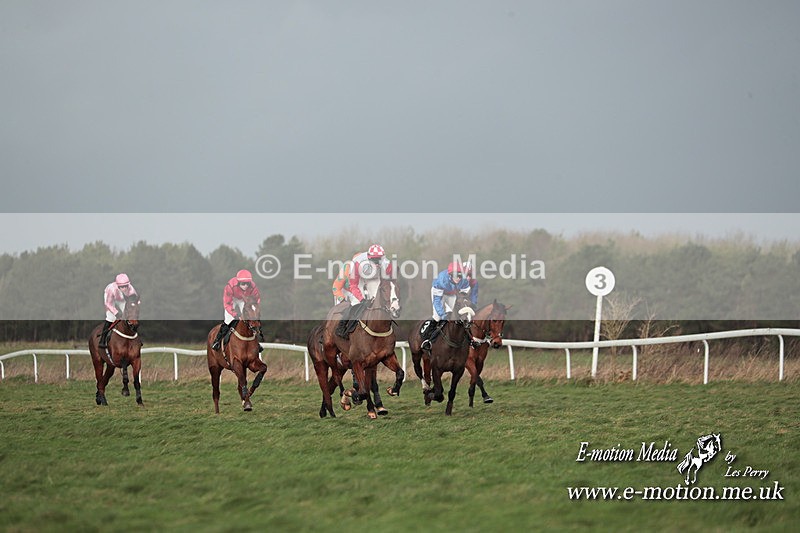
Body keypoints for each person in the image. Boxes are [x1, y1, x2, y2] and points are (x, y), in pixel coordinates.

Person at [335, 244, 393, 338]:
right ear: (369, 258)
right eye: (374, 260)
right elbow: (353, 285)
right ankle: (342, 328)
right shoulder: (357, 263)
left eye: (379, 259)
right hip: (357, 281)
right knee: (356, 303)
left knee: (376, 300)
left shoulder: (387, 264)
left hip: (372, 279)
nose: (377, 262)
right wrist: (361, 299)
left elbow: (389, 283)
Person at [419, 261, 471, 350]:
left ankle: (469, 339)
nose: (459, 278)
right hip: (439, 294)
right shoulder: (441, 280)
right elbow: (437, 301)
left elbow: (465, 295)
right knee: (438, 316)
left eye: (460, 276)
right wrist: (443, 314)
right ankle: (428, 340)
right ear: (450, 275)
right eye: (456, 276)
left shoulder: (464, 280)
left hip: (451, 294)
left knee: (456, 314)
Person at [211, 269, 263, 351]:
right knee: (228, 320)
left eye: (248, 283)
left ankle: (256, 343)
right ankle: (217, 341)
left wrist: (254, 312)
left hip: (244, 300)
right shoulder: (230, 286)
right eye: (243, 283)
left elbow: (256, 301)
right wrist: (235, 314)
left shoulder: (253, 287)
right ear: (238, 282)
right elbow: (227, 304)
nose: (246, 286)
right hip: (232, 299)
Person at [98, 273, 139, 349]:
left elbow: (135, 301)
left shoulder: (131, 290)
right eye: (122, 287)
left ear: (128, 285)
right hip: (111, 299)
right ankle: (102, 340)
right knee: (110, 317)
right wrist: (116, 313)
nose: (124, 288)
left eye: (126, 286)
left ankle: (134, 337)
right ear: (118, 286)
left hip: (122, 300)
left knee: (129, 315)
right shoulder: (111, 289)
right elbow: (108, 304)